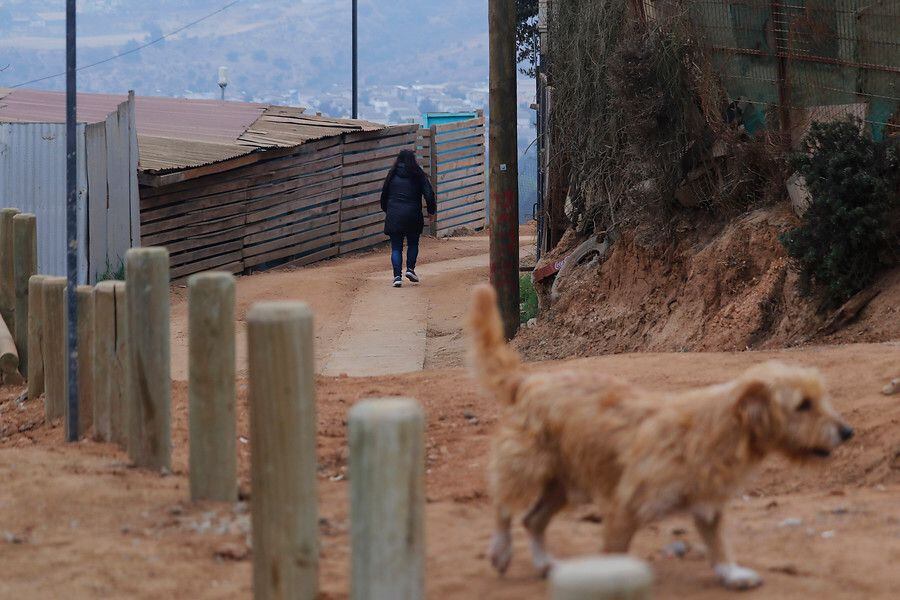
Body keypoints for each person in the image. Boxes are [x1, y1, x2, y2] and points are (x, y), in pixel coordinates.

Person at [380, 149, 437, 287]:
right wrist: (431, 211)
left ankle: (397, 277)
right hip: (413, 215)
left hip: (394, 215)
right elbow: (429, 194)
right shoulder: (418, 175)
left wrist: (388, 210)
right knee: (413, 244)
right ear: (413, 160)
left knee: (396, 248)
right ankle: (410, 269)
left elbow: (384, 195)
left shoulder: (392, 174)